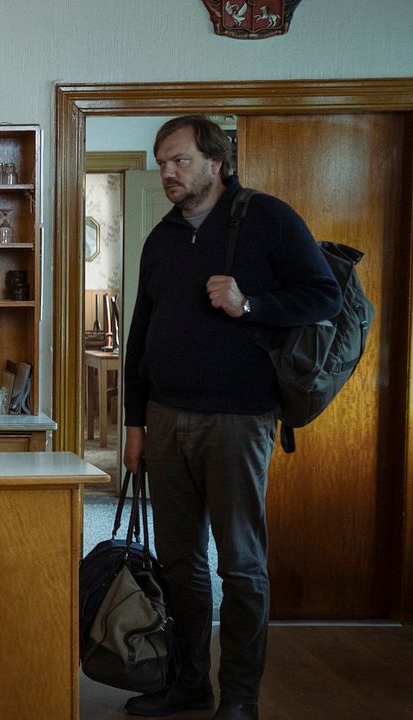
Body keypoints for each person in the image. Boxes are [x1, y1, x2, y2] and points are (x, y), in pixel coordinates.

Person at [121, 116, 341, 720]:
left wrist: (251, 305)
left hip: (239, 421)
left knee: (241, 566)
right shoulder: (161, 237)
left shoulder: (266, 218)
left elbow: (325, 295)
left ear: (216, 163)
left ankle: (239, 698)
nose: (167, 171)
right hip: (165, 419)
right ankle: (188, 683)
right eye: (162, 161)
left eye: (179, 160)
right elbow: (141, 334)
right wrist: (134, 423)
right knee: (178, 565)